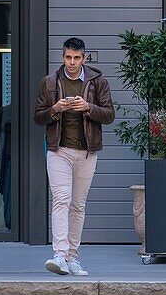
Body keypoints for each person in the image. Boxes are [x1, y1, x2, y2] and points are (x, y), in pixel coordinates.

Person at [34, 37, 115, 276]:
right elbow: (38, 117)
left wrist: (88, 107)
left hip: (87, 152)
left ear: (84, 58)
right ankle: (59, 254)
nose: (72, 62)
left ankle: (72, 257)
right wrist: (55, 110)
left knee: (78, 205)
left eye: (76, 58)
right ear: (62, 57)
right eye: (68, 57)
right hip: (58, 150)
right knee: (62, 199)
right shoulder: (49, 82)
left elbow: (109, 115)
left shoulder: (97, 82)